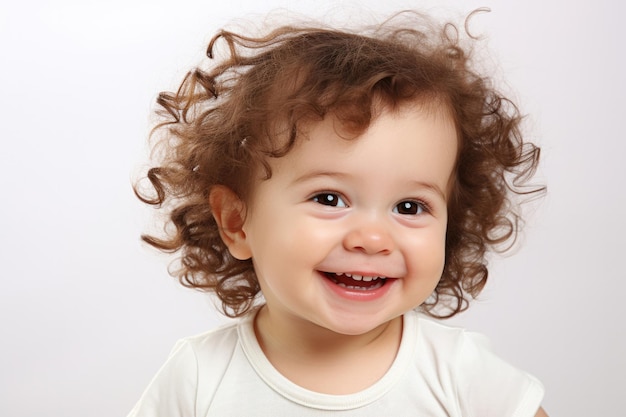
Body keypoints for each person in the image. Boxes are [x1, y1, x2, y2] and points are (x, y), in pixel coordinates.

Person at [129, 9, 548, 416]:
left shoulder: (460, 373)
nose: (371, 238)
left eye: (409, 206)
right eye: (329, 199)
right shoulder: (200, 377)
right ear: (237, 222)